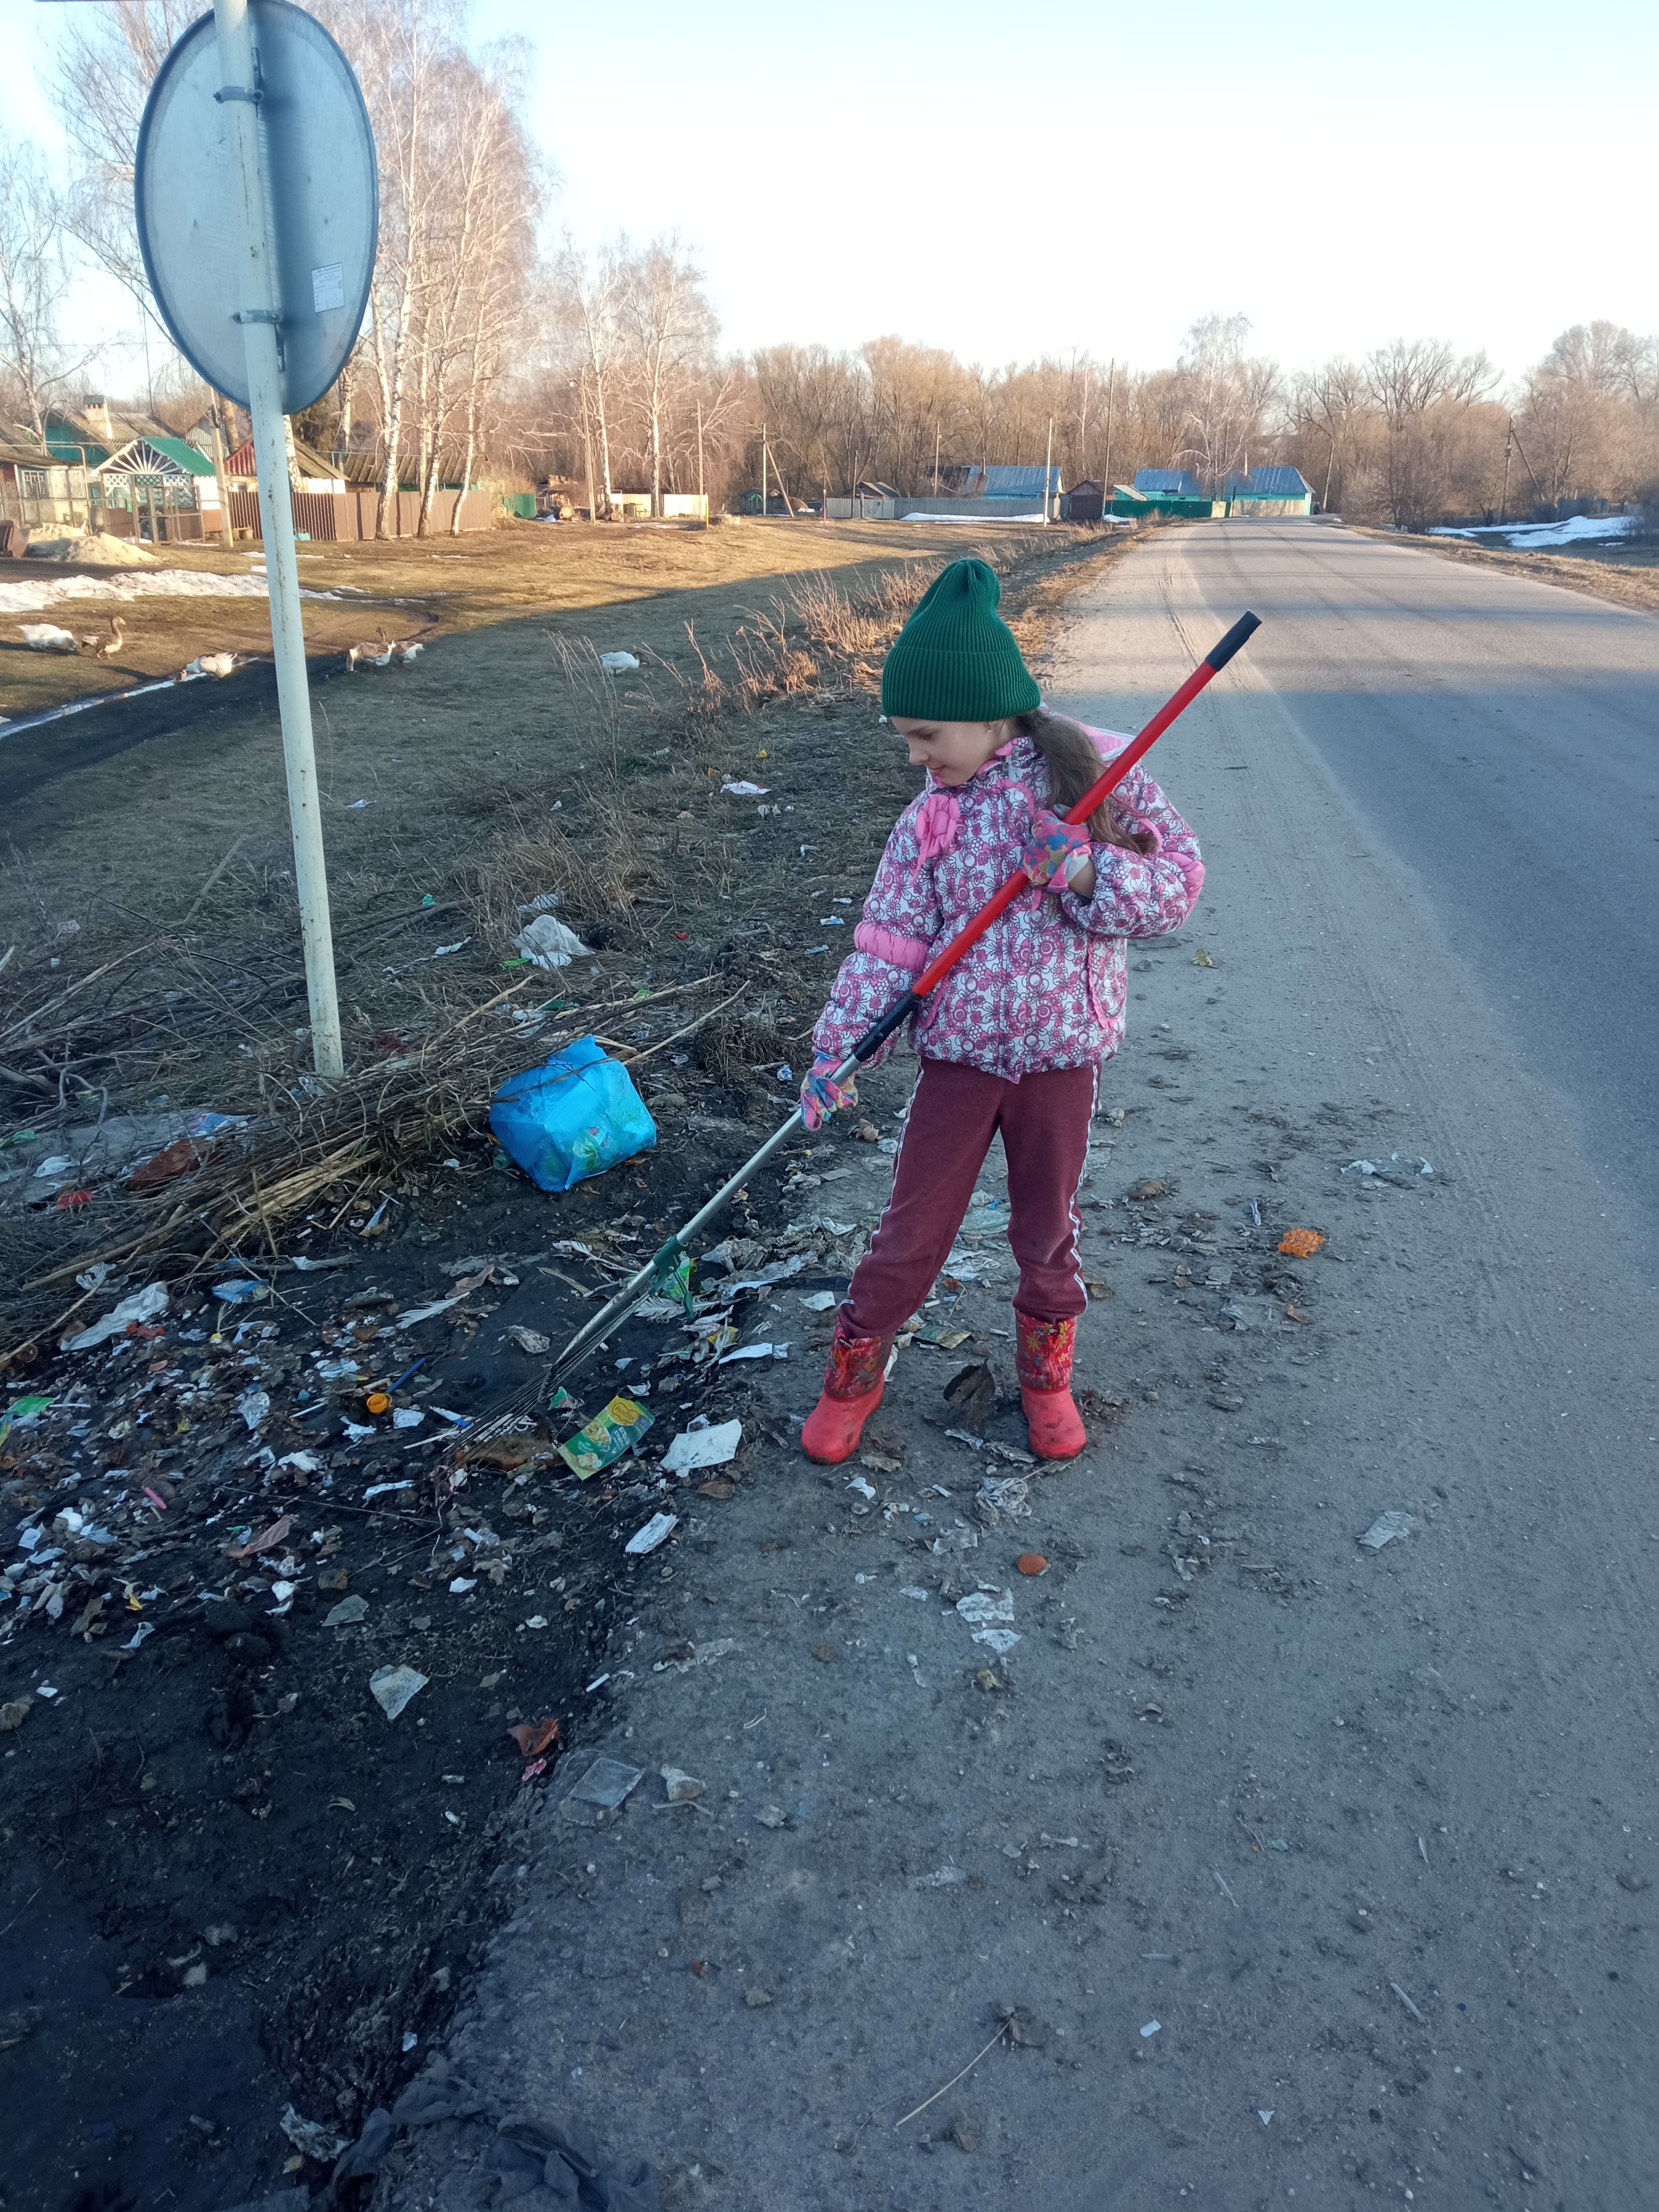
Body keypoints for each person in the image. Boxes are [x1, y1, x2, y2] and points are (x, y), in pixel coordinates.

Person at [795, 556, 1203, 1464]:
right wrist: (838, 1052)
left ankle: (1047, 1380)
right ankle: (852, 1378)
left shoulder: (1100, 782)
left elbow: (1179, 887)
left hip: (1061, 1059)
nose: (915, 757)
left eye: (925, 735)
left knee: (1047, 1231)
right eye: (906, 738)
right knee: (910, 1230)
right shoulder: (929, 821)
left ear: (987, 716)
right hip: (960, 1061)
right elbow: (889, 946)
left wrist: (1089, 871)